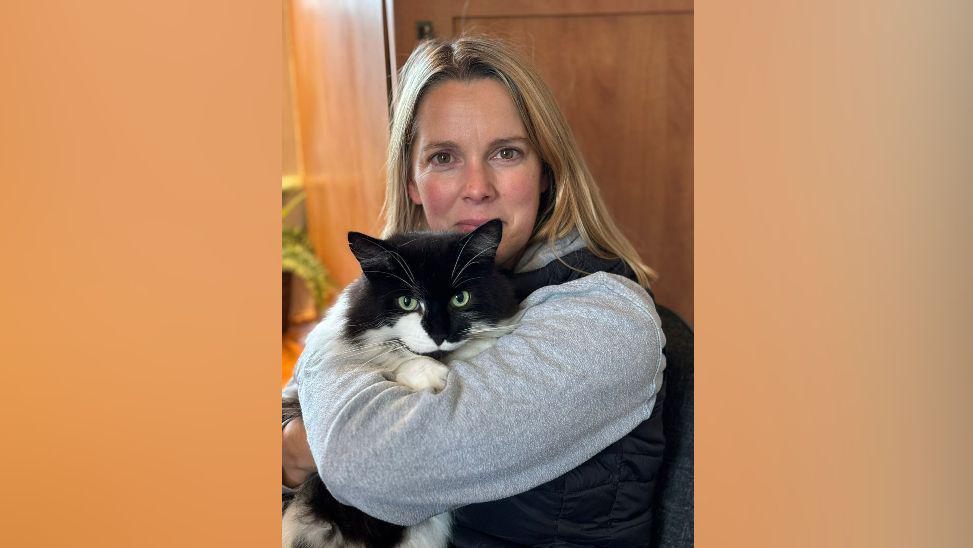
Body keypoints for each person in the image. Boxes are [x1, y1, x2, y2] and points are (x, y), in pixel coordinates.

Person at [283, 35, 667, 546]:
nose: (477, 187)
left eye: (506, 153)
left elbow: (366, 468)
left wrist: (311, 415)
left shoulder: (608, 322)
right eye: (444, 157)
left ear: (546, 172)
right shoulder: (394, 286)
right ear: (412, 182)